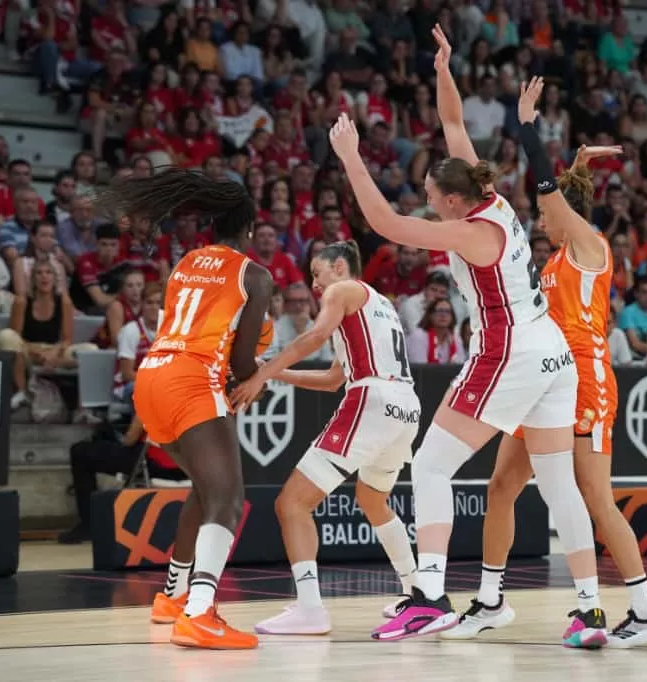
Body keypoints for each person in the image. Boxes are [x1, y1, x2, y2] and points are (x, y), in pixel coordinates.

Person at [328, 27, 600, 645]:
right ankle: (589, 608)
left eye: (430, 196)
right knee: (559, 486)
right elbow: (452, 123)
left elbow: (382, 222)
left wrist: (349, 158)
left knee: (430, 465)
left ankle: (427, 595)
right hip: (550, 349)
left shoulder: (469, 232)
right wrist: (443, 69)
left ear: (452, 202)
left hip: (510, 353)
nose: (426, 202)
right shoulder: (490, 196)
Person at [440, 78, 647, 649]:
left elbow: (549, 190)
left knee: (594, 496)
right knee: (500, 487)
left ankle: (644, 607)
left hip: (587, 378)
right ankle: (490, 600)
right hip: (542, 378)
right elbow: (556, 188)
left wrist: (526, 129)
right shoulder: (559, 257)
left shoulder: (589, 245)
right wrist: (576, 166)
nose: (540, 221)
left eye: (550, 212)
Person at [99, 168, 272, 650]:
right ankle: (201, 613)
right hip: (192, 380)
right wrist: (258, 372)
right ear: (251, 228)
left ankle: (173, 596)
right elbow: (239, 361)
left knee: (205, 487)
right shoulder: (254, 274)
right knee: (229, 499)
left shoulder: (186, 262)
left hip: (151, 377)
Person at [230, 241, 421, 635]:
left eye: (316, 274)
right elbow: (335, 378)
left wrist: (261, 375)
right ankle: (417, 591)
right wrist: (276, 374)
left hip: (373, 399)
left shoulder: (342, 290)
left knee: (291, 504)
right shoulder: (378, 304)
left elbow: (313, 337)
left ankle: (310, 609)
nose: (315, 285)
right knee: (372, 499)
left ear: (338, 267)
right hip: (406, 407)